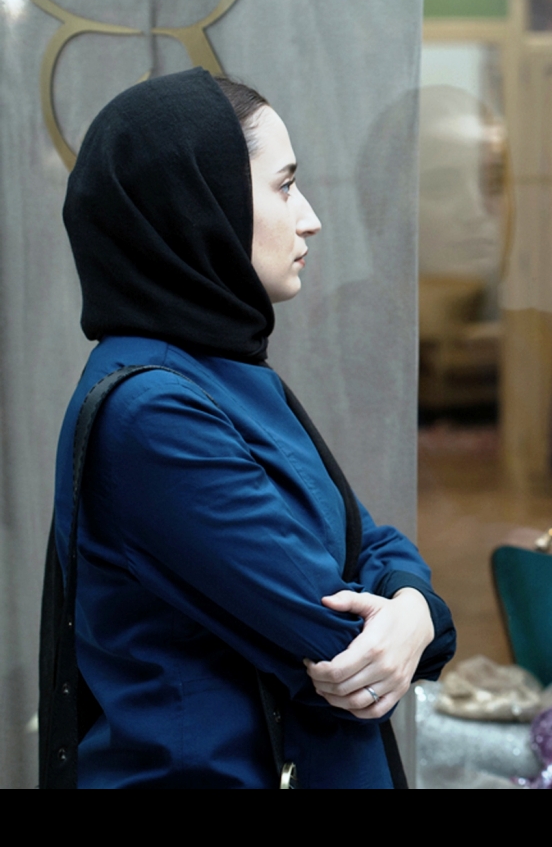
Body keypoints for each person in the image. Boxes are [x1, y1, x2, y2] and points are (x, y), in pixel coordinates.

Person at [48, 68, 455, 787]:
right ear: (199, 205)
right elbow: (338, 642)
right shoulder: (154, 411)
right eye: (284, 185)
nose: (311, 218)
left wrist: (415, 612)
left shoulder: (222, 371)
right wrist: (406, 617)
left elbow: (365, 539)